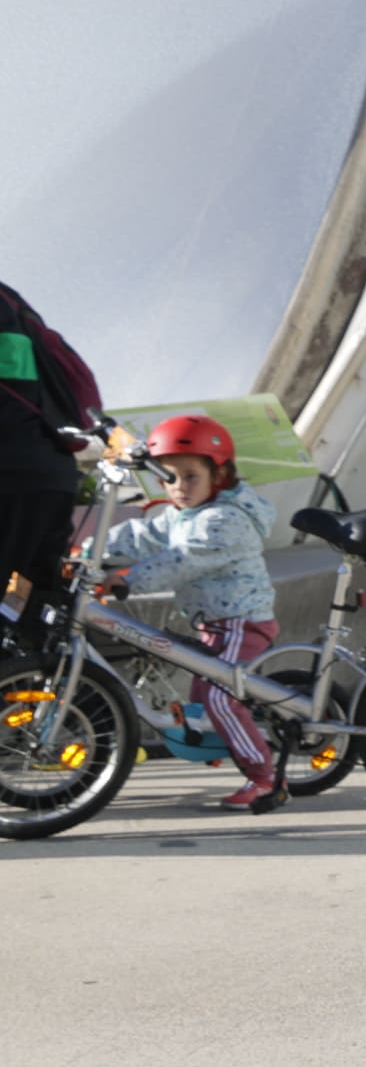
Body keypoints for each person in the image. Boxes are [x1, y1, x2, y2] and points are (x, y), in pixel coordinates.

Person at [102, 413, 284, 813]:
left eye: (190, 476)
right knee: (203, 699)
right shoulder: (182, 514)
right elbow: (142, 535)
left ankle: (265, 778)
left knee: (220, 699)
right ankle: (232, 742)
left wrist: (127, 579)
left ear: (219, 476)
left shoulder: (224, 520)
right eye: (169, 478)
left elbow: (181, 560)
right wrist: (89, 551)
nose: (179, 487)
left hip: (242, 621)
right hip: (213, 623)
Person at [0, 281, 103, 663]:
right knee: (27, 586)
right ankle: (50, 685)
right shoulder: (11, 300)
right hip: (52, 475)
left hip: (12, 478)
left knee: (15, 585)